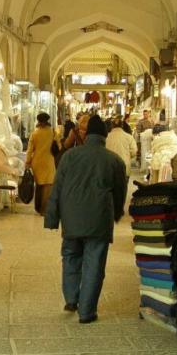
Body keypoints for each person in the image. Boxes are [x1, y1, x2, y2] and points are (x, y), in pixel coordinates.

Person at [44, 114, 127, 324]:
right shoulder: (114, 161)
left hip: (71, 219)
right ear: (104, 136)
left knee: (71, 256)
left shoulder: (69, 157)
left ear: (86, 134)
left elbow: (57, 189)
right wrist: (116, 214)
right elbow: (119, 194)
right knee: (94, 264)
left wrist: (52, 218)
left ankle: (72, 299)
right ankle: (87, 311)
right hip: (99, 220)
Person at [25, 112, 56, 216]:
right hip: (49, 161)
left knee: (39, 185)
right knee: (47, 186)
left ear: (38, 121)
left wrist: (27, 162)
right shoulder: (53, 132)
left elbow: (30, 150)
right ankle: (44, 209)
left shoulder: (35, 133)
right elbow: (59, 146)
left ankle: (38, 208)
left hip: (37, 162)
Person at [106, 116, 137, 186]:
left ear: (112, 126)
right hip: (125, 166)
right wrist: (127, 155)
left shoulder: (107, 137)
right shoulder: (129, 137)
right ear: (122, 125)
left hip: (110, 167)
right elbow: (134, 151)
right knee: (122, 189)